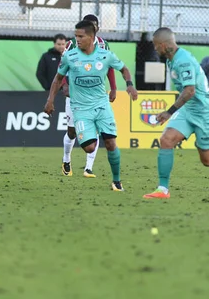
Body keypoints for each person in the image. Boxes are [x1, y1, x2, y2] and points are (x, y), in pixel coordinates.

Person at [44, 20, 138, 192]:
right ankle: (68, 159)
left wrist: (129, 84)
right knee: (89, 147)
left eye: (81, 36)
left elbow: (123, 69)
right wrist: (50, 100)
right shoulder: (69, 55)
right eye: (76, 36)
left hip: (102, 105)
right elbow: (58, 78)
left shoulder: (105, 53)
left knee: (110, 142)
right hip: (80, 107)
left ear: (92, 36)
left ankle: (116, 181)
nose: (76, 40)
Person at [143, 28, 209, 199]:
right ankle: (162, 189)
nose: (155, 49)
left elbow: (189, 91)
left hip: (204, 111)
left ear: (163, 45)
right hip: (188, 110)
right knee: (166, 140)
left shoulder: (183, 61)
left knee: (207, 160)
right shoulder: (171, 60)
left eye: (156, 46)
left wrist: (168, 112)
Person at [60, 14, 117, 178]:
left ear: (97, 28)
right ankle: (66, 160)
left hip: (96, 95)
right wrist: (65, 85)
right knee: (72, 132)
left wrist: (113, 88)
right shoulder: (72, 45)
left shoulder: (103, 45)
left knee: (96, 129)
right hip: (75, 94)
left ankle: (88, 168)